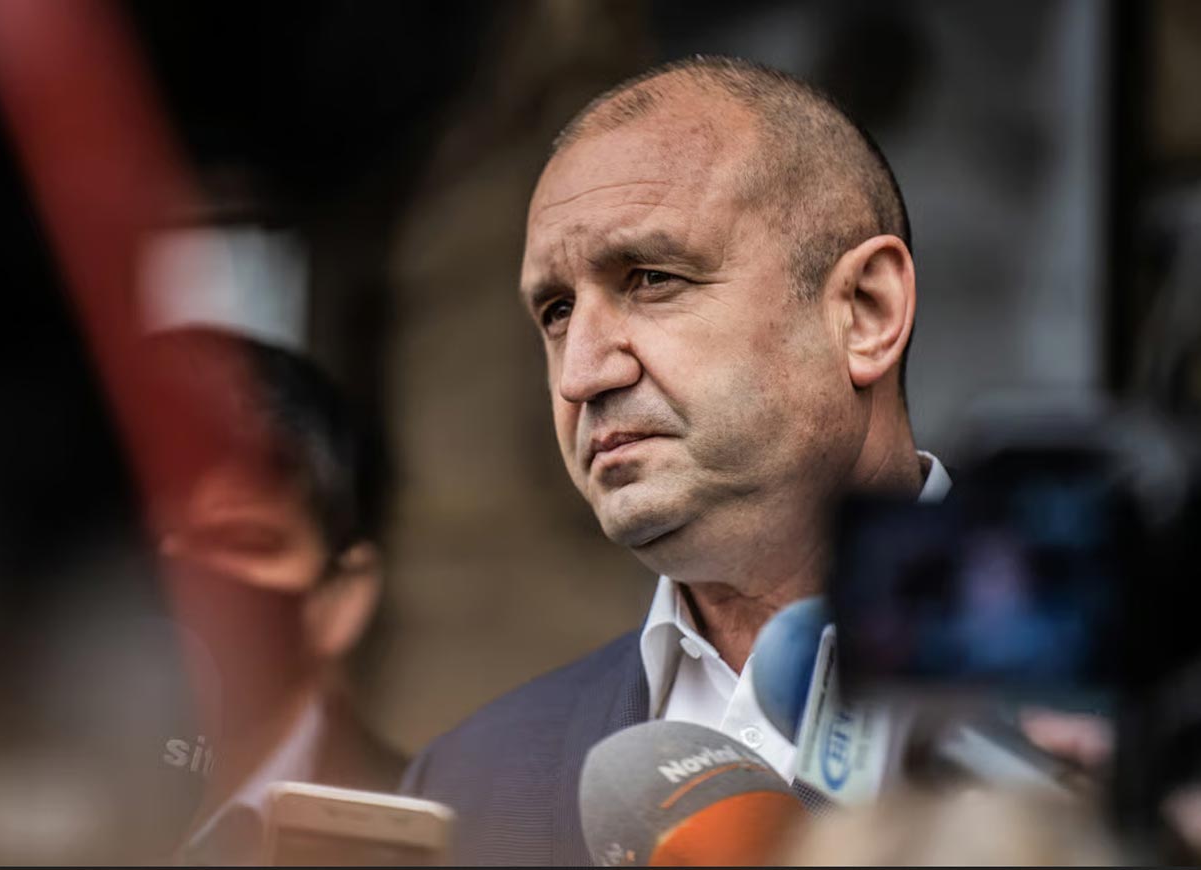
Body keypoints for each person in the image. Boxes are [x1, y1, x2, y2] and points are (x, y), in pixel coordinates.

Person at [402, 55, 952, 865]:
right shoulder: (466, 786)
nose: (582, 373)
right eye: (556, 311)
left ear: (866, 312)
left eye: (652, 278)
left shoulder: (1097, 727)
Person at [143, 327, 404, 864]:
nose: (174, 578)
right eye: (125, 534)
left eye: (239, 540)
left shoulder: (463, 836)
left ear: (341, 597)